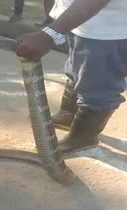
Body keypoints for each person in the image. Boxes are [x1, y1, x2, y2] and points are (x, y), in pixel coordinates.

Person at [13, 0, 127, 154]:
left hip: (110, 29)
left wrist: (50, 33)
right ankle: (69, 116)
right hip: (80, 19)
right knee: (78, 70)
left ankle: (84, 137)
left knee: (99, 86)